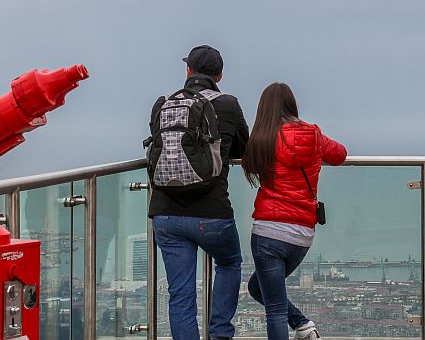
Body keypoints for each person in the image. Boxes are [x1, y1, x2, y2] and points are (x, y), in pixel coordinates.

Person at [148, 45, 249, 340]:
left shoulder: (166, 104)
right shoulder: (228, 104)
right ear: (220, 75)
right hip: (212, 214)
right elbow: (244, 148)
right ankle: (220, 334)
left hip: (165, 214)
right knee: (229, 263)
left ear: (188, 70)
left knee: (180, 296)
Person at [242, 82, 347, 340]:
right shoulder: (314, 135)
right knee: (257, 288)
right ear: (292, 105)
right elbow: (340, 154)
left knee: (275, 309)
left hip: (268, 232)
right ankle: (302, 325)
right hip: (301, 235)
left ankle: (302, 324)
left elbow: (250, 164)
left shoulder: (263, 140)